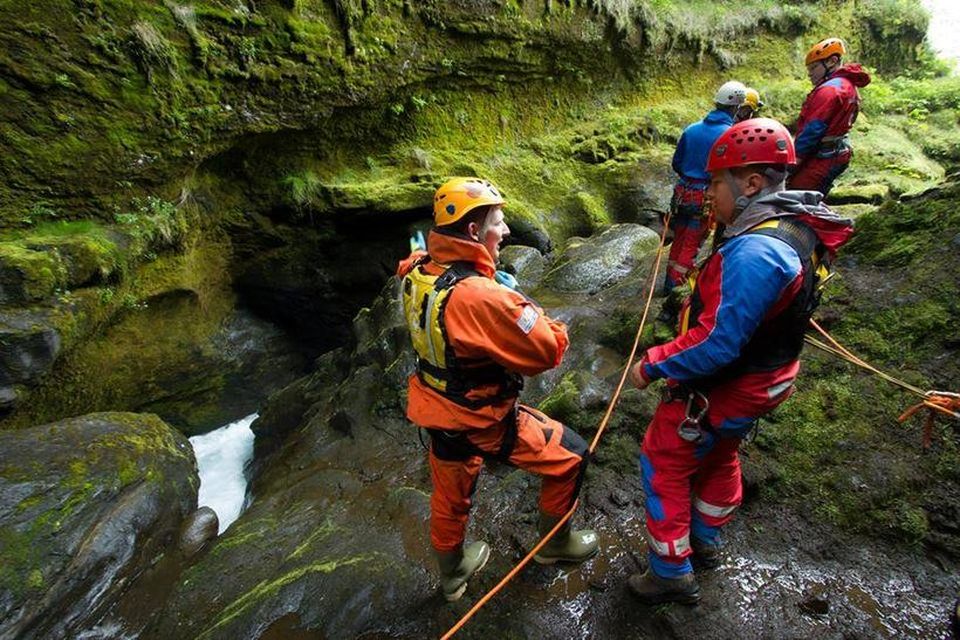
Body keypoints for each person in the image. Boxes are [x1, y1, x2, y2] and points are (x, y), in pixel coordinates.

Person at [627, 119, 854, 604]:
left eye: (715, 182)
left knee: (663, 459)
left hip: (728, 385)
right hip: (767, 378)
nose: (709, 194)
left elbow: (718, 344)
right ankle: (706, 542)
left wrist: (653, 363)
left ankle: (670, 570)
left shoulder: (754, 253)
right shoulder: (795, 226)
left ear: (751, 183)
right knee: (722, 452)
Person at [397, 177, 599, 603]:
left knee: (450, 497)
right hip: (481, 417)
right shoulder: (482, 298)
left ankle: (452, 576)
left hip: (436, 410)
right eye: (498, 223)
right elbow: (548, 349)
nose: (505, 231)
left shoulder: (418, 269)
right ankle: (554, 547)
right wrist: (524, 305)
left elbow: (411, 262)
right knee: (571, 456)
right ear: (474, 232)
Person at [664, 80, 748, 292]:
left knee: (680, 236)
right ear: (736, 107)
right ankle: (675, 288)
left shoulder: (692, 129)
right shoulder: (730, 135)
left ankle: (669, 280)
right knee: (692, 242)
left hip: (683, 191)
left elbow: (677, 163)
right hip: (705, 195)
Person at [788, 37, 871, 196]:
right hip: (836, 152)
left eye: (813, 68)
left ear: (832, 61)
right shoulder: (847, 84)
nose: (809, 74)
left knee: (797, 195)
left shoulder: (829, 91)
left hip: (824, 156)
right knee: (812, 195)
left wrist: (794, 161)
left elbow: (813, 129)